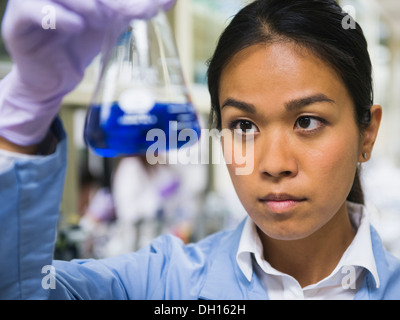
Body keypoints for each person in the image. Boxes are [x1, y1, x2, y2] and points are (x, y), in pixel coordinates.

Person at [0, 0, 399, 300]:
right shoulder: (164, 283)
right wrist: (26, 107)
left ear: (367, 133)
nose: (274, 165)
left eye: (307, 121)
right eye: (243, 125)